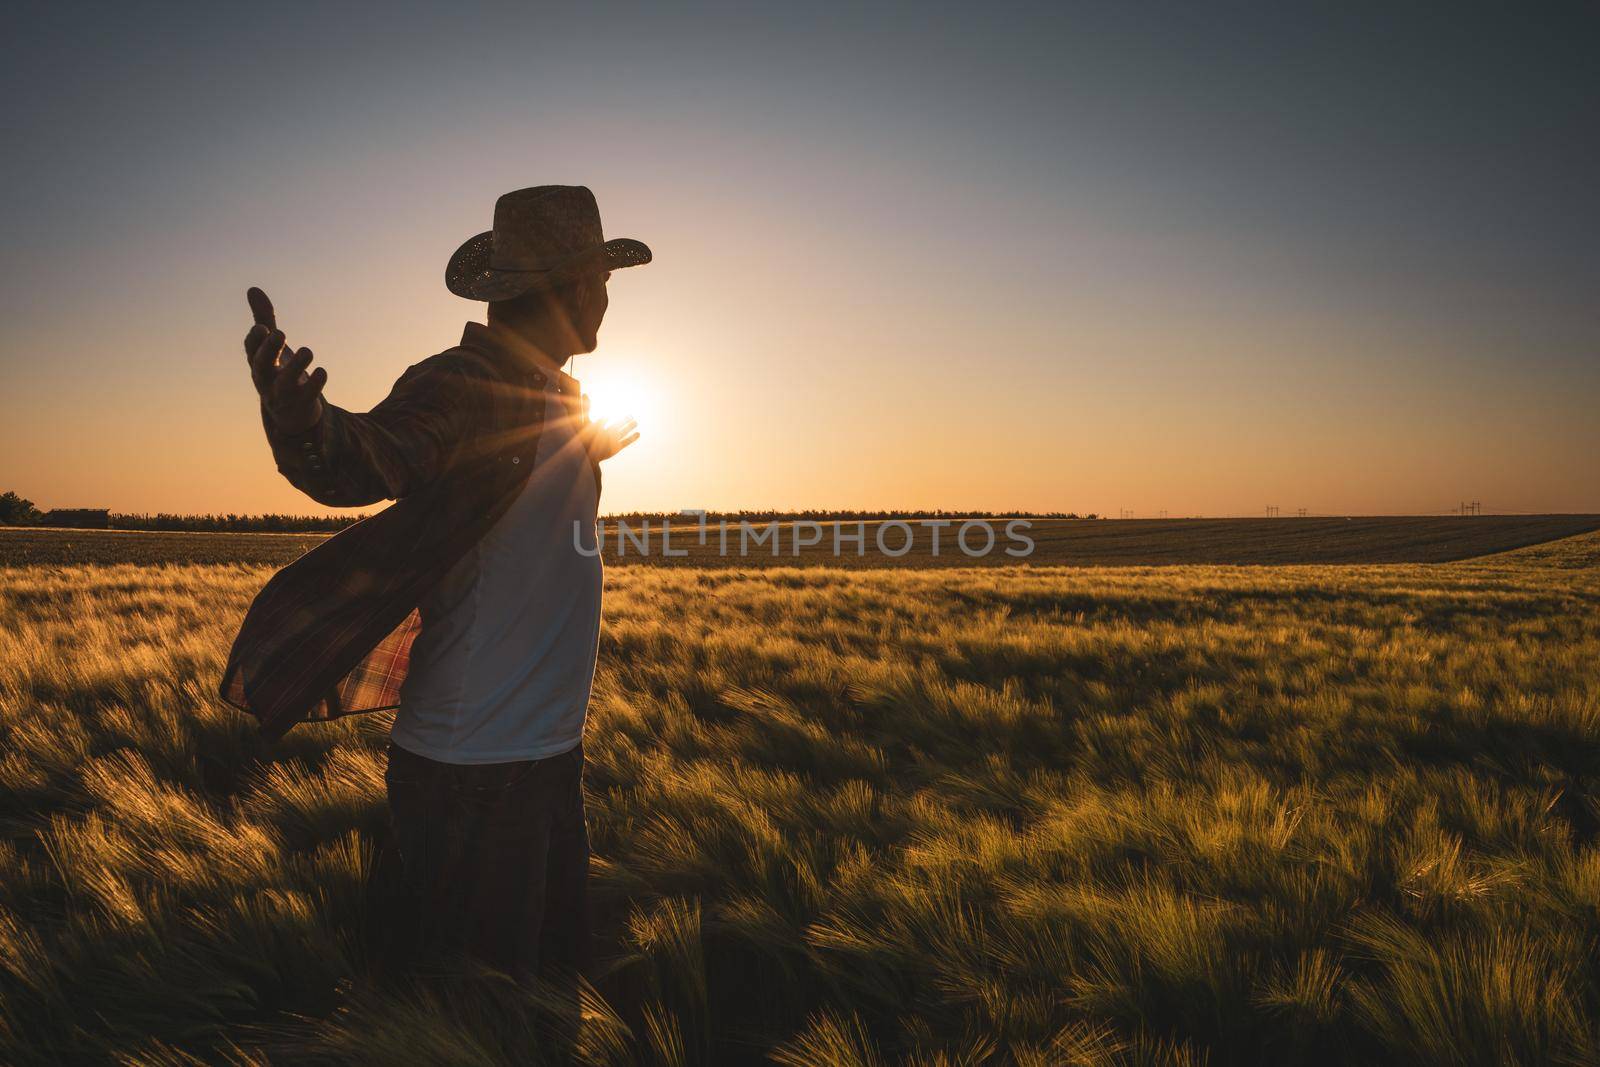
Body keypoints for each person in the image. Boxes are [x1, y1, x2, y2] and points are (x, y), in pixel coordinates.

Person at [220, 185, 652, 981]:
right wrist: (302, 426)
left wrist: (583, 452)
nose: (605, 298)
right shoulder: (459, 381)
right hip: (476, 775)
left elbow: (504, 480)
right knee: (473, 1015)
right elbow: (374, 452)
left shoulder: (553, 395)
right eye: (598, 280)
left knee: (544, 1001)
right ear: (556, 287)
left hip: (548, 760)